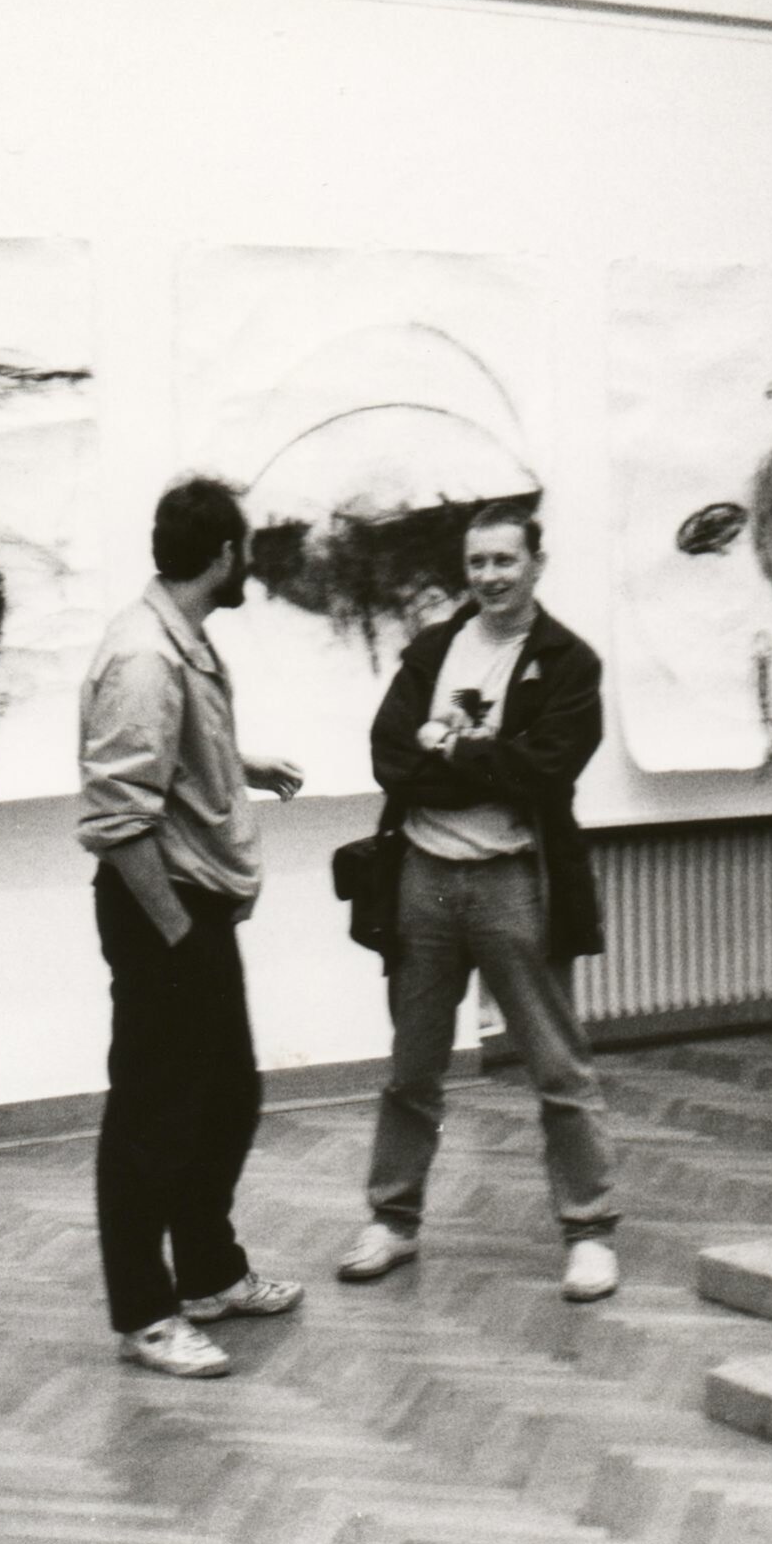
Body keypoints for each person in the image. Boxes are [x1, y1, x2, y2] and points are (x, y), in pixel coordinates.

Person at [337, 502, 619, 1302]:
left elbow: (547, 769)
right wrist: (488, 761)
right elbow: (391, 756)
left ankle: (589, 1232)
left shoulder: (568, 662)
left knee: (557, 1066)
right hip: (423, 880)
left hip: (514, 883)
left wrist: (453, 751)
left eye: (504, 560)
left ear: (536, 564)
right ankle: (393, 1220)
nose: (490, 576)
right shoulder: (432, 649)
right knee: (412, 1067)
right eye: (478, 562)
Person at [78, 476, 306, 1379]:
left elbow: (166, 754)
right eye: (242, 550)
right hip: (161, 911)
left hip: (189, 907)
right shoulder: (146, 655)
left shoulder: (179, 640)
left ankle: (209, 1273)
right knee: (153, 1116)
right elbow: (117, 819)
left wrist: (239, 763)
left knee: (225, 1098)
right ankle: (145, 1314)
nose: (246, 564)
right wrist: (176, 931)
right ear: (222, 555)